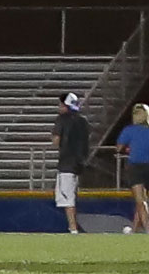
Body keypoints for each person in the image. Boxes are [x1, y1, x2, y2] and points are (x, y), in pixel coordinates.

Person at [116, 104, 149, 233]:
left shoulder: (129, 130)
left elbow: (119, 147)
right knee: (142, 201)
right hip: (148, 169)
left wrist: (128, 148)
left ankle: (148, 230)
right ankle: (135, 230)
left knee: (140, 202)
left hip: (135, 168)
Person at [53, 94, 91, 233]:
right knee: (72, 195)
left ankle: (73, 228)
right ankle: (73, 227)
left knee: (67, 198)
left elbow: (56, 141)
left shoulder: (62, 120)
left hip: (67, 163)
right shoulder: (83, 121)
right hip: (80, 163)